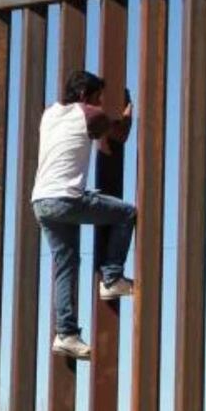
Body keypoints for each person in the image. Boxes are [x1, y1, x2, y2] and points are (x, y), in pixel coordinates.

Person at [31, 70, 137, 361]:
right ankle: (112, 277)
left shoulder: (49, 114)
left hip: (41, 201)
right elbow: (120, 134)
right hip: (66, 199)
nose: (99, 103)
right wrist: (128, 109)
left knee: (66, 263)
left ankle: (66, 334)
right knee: (126, 213)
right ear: (83, 96)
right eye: (97, 97)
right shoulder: (89, 115)